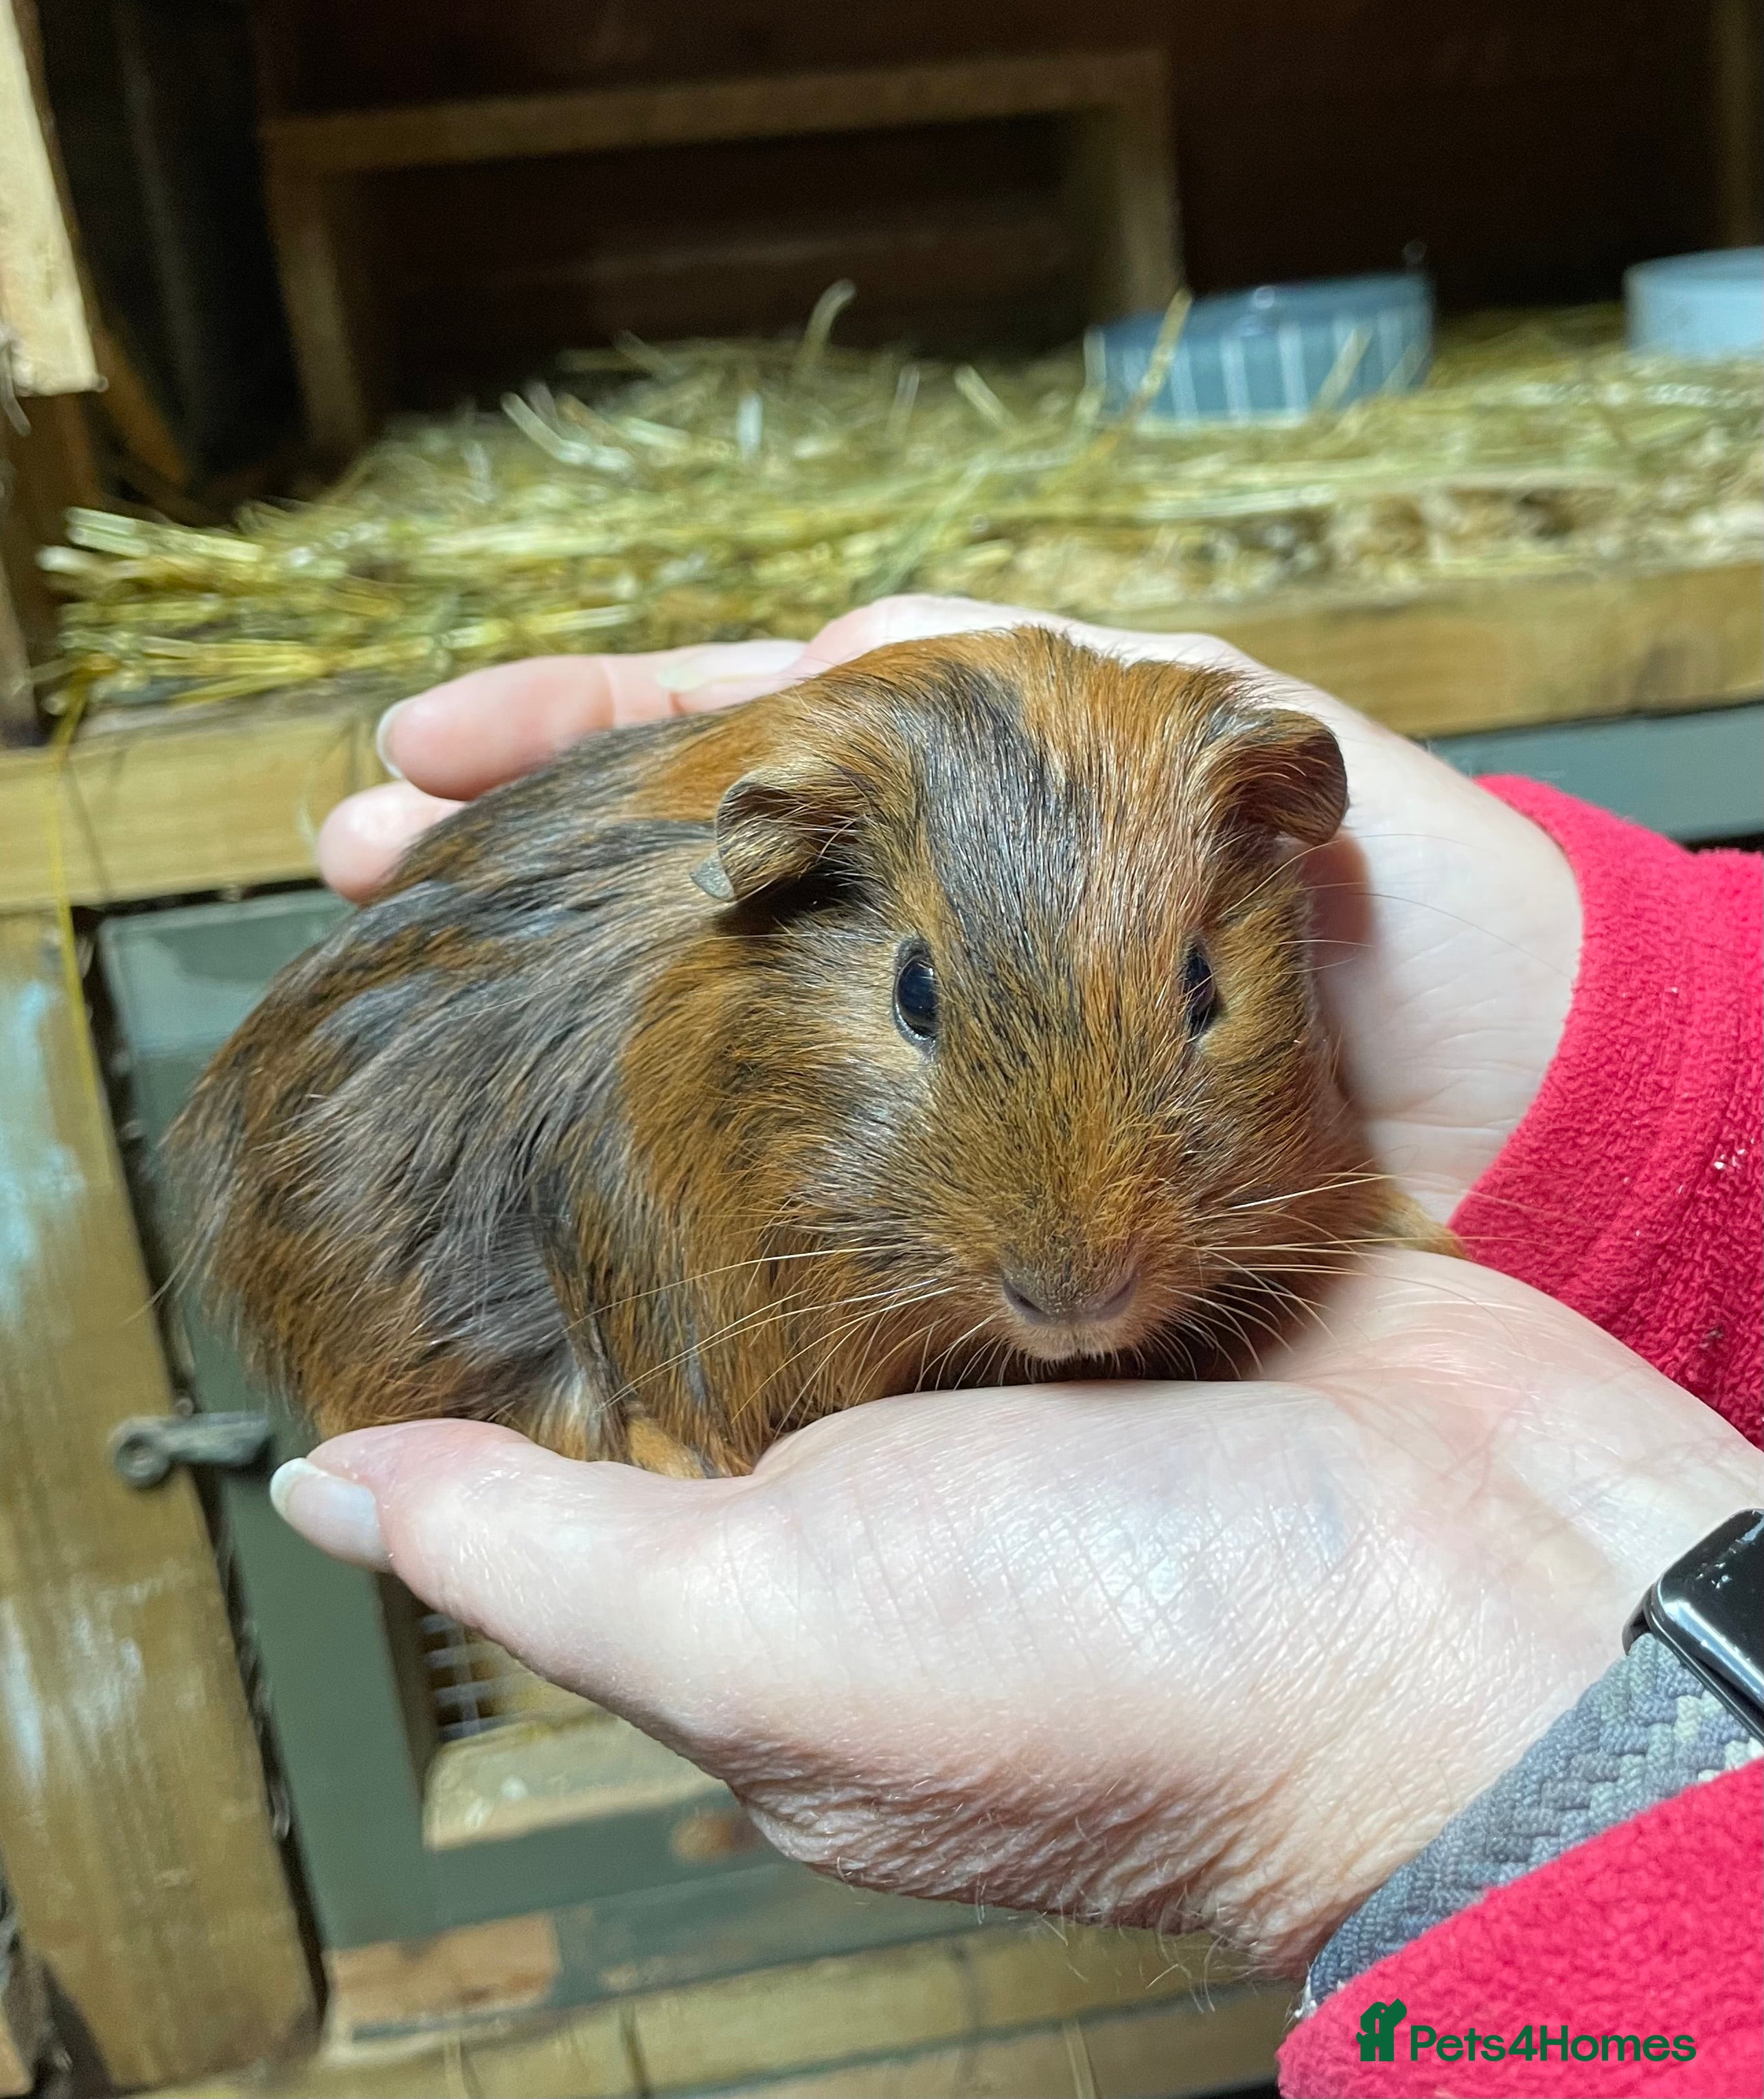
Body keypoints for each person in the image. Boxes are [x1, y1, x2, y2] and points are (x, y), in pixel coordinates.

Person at [276, 596, 1763, 2094]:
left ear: (1272, 858)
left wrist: (1643, 1078)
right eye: (917, 1000)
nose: (1077, 1248)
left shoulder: (1257, 913)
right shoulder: (694, 1091)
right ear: (795, 890)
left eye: (1197, 995)